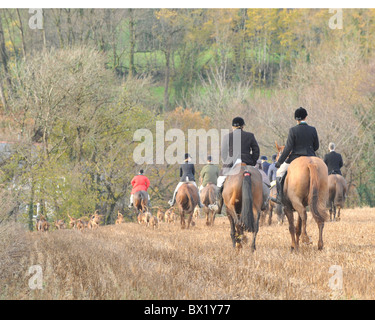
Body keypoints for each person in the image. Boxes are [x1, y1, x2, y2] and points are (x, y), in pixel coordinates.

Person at [273, 107, 319, 204]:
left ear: (296, 119)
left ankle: (279, 197)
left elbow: (288, 148)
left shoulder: (293, 130)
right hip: (311, 156)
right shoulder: (313, 129)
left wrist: (279, 162)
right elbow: (316, 146)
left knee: (279, 173)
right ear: (306, 117)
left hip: (295, 157)